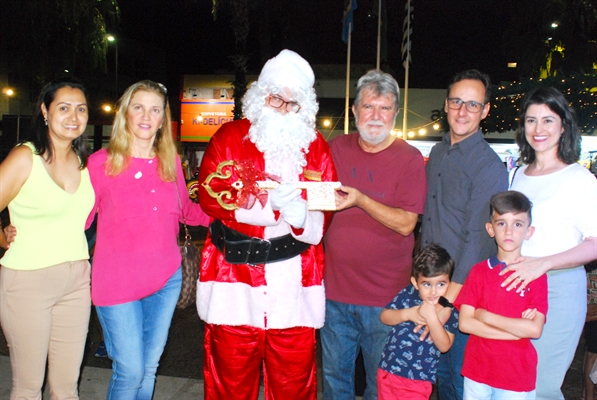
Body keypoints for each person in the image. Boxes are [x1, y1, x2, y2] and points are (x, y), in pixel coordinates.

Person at [197, 49, 337, 399]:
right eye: (276, 99)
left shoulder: (316, 146)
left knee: (293, 386)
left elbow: (327, 206)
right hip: (234, 280)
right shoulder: (229, 137)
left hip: (295, 283)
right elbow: (208, 194)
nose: (283, 110)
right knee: (230, 383)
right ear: (262, 96)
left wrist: (301, 216)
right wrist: (267, 206)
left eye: (293, 104)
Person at [86, 80, 209, 399]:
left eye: (155, 110)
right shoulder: (101, 163)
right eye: (138, 107)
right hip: (116, 284)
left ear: (162, 119)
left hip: (166, 280)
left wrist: (233, 215)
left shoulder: (170, 164)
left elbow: (189, 212)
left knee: (150, 367)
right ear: (125, 112)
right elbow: (77, 218)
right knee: (130, 370)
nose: (146, 115)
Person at [322, 69, 427, 400]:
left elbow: (407, 223)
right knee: (333, 377)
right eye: (369, 107)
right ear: (354, 111)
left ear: (395, 114)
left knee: (380, 384)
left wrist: (362, 200)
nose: (376, 116)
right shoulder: (336, 146)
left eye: (385, 108)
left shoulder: (409, 159)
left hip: (385, 298)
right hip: (335, 292)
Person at [0, 78, 95, 399]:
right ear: (44, 111)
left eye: (81, 109)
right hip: (28, 282)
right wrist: (1, 238)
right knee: (28, 387)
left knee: (67, 387)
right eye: (64, 108)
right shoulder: (25, 157)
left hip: (77, 283)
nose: (73, 117)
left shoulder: (85, 165)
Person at [419, 69, 508, 400]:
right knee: (436, 379)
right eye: (456, 101)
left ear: (485, 110)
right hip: (431, 284)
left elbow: (478, 241)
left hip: (461, 295)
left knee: (458, 382)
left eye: (473, 104)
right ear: (445, 104)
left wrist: (444, 303)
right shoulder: (439, 152)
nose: (462, 111)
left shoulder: (489, 167)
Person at [505, 86, 597, 399]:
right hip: (516, 287)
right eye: (531, 121)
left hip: (557, 289)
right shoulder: (518, 174)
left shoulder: (578, 178)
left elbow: (595, 242)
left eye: (547, 120)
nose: (538, 129)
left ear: (563, 126)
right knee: (515, 383)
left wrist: (545, 263)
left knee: (541, 385)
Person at [456, 190, 547, 399]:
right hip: (477, 370)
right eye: (501, 223)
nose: (509, 231)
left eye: (517, 224)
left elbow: (533, 329)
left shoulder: (535, 276)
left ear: (528, 231)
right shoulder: (478, 272)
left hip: (516, 375)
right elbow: (465, 324)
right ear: (490, 229)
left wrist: (486, 316)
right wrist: (514, 332)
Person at [377, 243, 459, 400]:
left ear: (449, 283)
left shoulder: (448, 311)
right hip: (388, 372)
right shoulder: (407, 294)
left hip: (419, 380)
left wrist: (432, 317)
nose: (434, 291)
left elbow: (444, 346)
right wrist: (408, 314)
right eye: (427, 284)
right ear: (415, 283)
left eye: (441, 284)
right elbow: (385, 316)